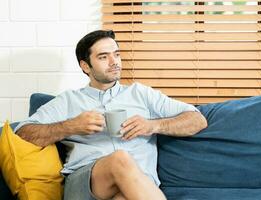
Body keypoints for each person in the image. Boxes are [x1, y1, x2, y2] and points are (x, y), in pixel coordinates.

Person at [15, 30, 208, 200]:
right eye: (103, 57)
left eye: (116, 54)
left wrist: (153, 126)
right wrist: (72, 126)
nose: (114, 62)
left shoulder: (141, 94)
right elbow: (22, 134)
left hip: (140, 186)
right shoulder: (68, 101)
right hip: (86, 185)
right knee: (120, 159)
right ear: (85, 66)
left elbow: (197, 120)